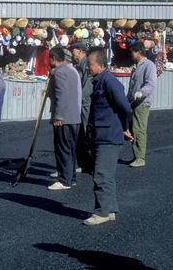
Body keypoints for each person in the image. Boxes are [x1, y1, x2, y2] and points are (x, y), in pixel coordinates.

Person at [84, 50, 133, 226]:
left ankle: (101, 212)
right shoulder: (99, 81)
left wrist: (125, 127)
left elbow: (125, 108)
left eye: (90, 63)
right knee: (107, 175)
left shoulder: (110, 82)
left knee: (101, 175)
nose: (87, 66)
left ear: (101, 65)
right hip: (102, 134)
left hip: (107, 136)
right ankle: (110, 209)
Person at [47, 46, 82, 190]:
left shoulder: (59, 72)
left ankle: (64, 180)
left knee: (63, 148)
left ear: (53, 59)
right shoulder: (72, 71)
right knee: (70, 148)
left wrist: (58, 116)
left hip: (65, 117)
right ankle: (71, 177)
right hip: (74, 117)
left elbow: (62, 95)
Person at [127, 41, 157, 168]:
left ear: (138, 52)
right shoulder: (137, 66)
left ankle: (140, 157)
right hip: (133, 102)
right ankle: (136, 155)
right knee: (133, 129)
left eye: (132, 52)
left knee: (139, 130)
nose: (131, 55)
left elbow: (151, 83)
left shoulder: (149, 65)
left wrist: (141, 92)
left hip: (142, 103)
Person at [71, 42, 94, 174]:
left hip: (85, 104)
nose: (73, 53)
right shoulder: (78, 65)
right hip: (79, 104)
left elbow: (87, 86)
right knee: (79, 134)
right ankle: (83, 163)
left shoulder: (86, 64)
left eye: (74, 50)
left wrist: (79, 98)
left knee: (86, 133)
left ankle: (90, 164)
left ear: (80, 51)